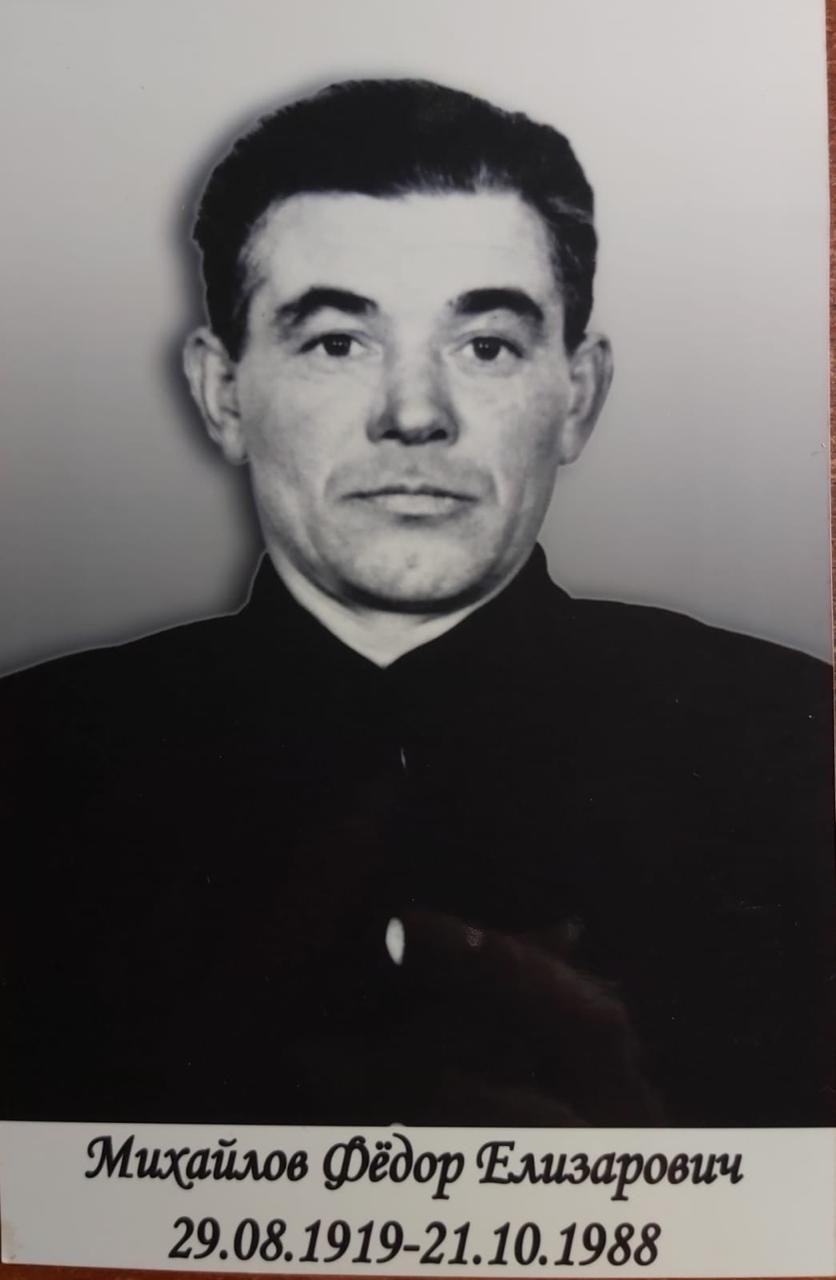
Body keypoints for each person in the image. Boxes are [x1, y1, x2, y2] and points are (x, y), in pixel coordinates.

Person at [2, 79, 832, 1127]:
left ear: (577, 395)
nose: (413, 413)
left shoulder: (799, 748)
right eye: (335, 341)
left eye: (484, 345)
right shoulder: (28, 764)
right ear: (223, 393)